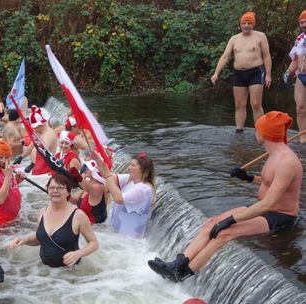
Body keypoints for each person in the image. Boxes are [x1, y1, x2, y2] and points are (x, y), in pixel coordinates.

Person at [148, 111, 302, 283]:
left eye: (257, 129)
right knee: (212, 223)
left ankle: (182, 274)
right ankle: (177, 264)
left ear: (265, 133)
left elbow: (269, 203)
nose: (255, 132)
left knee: (224, 233)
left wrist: (232, 219)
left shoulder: (287, 163)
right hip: (263, 210)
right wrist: (248, 178)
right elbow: (268, 184)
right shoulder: (274, 154)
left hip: (279, 216)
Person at [9, 173, 98, 268]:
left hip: (69, 273)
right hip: (44, 275)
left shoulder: (78, 215)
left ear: (68, 192)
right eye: (51, 188)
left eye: (60, 188)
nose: (55, 191)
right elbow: (42, 239)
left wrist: (78, 253)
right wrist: (24, 239)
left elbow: (94, 243)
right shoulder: (42, 212)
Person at [210, 12, 272, 133]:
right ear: (240, 25)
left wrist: (268, 75)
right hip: (239, 73)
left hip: (256, 72)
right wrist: (216, 73)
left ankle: (260, 131)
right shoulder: (234, 39)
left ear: (253, 24)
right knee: (239, 104)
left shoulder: (260, 36)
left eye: (249, 23)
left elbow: (267, 56)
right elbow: (225, 57)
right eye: (244, 23)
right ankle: (239, 131)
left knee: (255, 104)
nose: (246, 26)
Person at [93, 151, 156, 238]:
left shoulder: (144, 190)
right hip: (117, 236)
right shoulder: (130, 179)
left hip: (129, 241)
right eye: (130, 164)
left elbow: (119, 199)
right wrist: (98, 160)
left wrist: (107, 175)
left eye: (133, 165)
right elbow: (111, 178)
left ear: (143, 169)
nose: (129, 168)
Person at [14, 106, 57, 175]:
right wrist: (21, 157)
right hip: (36, 166)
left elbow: (41, 151)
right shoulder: (40, 132)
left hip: (47, 170)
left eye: (35, 127)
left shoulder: (49, 135)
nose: (34, 129)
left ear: (41, 124)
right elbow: (31, 146)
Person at [285, 10, 306, 143]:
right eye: (302, 22)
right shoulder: (299, 38)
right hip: (301, 76)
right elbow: (295, 59)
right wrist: (288, 72)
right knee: (300, 108)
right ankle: (303, 136)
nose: (304, 24)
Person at [71, 160, 108, 225]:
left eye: (89, 168)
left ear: (95, 172)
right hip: (86, 225)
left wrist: (77, 174)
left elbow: (86, 186)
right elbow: (75, 200)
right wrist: (62, 192)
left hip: (97, 230)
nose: (86, 169)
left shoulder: (99, 187)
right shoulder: (89, 185)